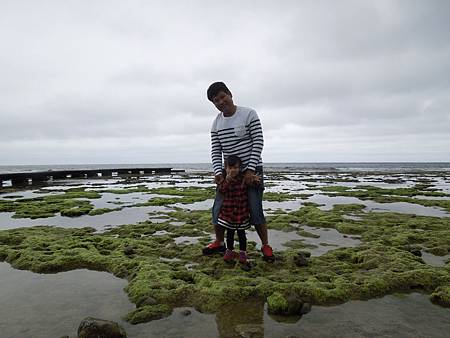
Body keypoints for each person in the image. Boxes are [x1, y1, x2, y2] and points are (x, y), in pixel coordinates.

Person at [202, 81, 275, 262]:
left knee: (255, 208)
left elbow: (258, 142)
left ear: (230, 94)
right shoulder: (216, 123)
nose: (220, 102)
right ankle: (219, 242)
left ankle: (265, 245)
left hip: (252, 170)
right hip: (229, 173)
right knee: (218, 208)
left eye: (222, 97)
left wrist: (250, 170)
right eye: (215, 100)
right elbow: (215, 149)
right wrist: (219, 172)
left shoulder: (249, 114)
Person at [217, 155, 256, 268]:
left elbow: (252, 185)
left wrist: (255, 180)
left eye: (235, 167)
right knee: (229, 233)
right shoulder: (225, 180)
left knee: (241, 234)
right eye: (230, 168)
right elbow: (222, 190)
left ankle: (242, 253)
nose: (232, 170)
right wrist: (227, 181)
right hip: (228, 213)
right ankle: (229, 251)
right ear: (225, 168)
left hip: (241, 213)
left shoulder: (243, 178)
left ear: (240, 168)